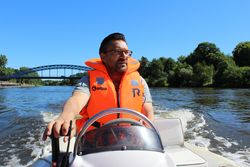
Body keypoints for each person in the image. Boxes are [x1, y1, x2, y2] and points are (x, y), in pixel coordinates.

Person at [43, 32, 154, 141]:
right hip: (95, 141)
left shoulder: (140, 81)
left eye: (126, 52)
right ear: (103, 56)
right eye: (117, 52)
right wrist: (66, 116)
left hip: (131, 139)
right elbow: (77, 99)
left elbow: (148, 113)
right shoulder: (89, 80)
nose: (124, 56)